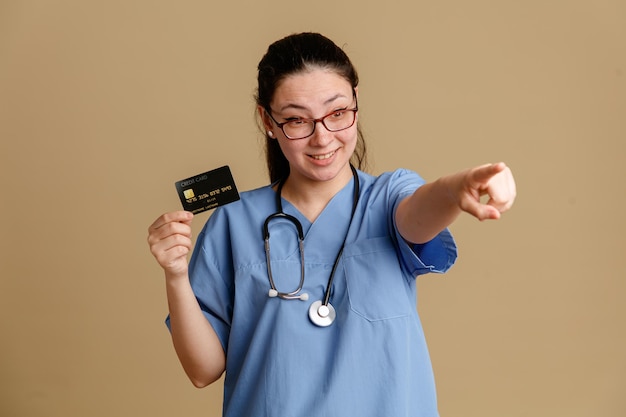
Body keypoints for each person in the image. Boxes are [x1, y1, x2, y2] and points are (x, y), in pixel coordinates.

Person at [147, 32, 516, 417]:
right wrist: (175, 275)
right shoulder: (234, 221)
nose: (322, 137)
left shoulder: (388, 198)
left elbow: (420, 212)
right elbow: (203, 370)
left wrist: (459, 187)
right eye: (296, 120)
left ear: (356, 102)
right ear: (267, 122)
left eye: (337, 113)